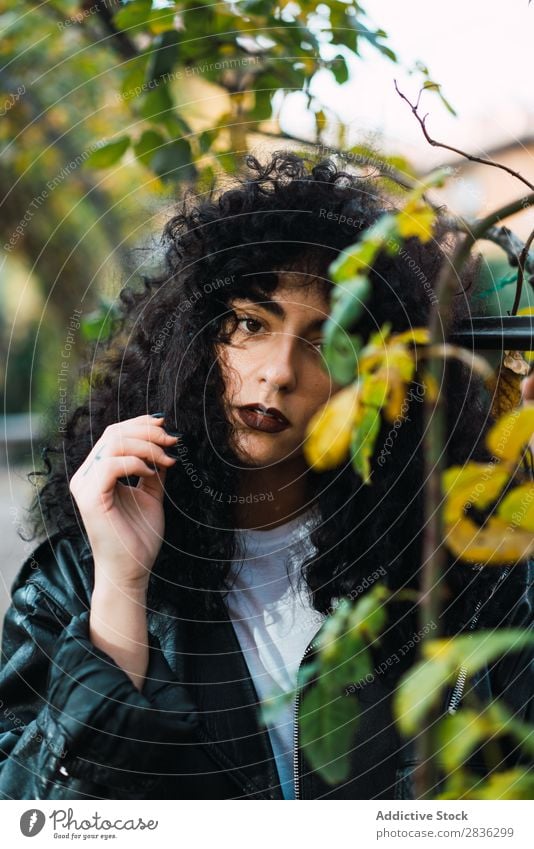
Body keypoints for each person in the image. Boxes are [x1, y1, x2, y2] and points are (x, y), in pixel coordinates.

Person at [1, 150, 533, 801]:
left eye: (323, 340)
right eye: (252, 324)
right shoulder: (73, 580)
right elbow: (32, 814)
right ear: (199, 338)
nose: (278, 371)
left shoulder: (448, 556)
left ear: (380, 375)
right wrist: (120, 586)